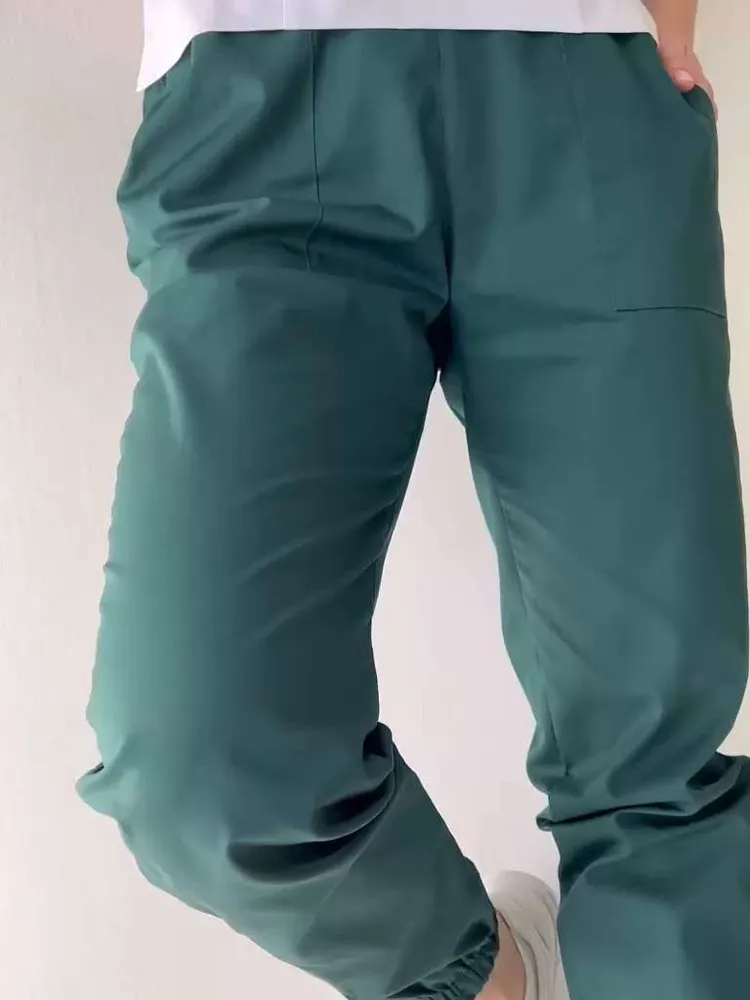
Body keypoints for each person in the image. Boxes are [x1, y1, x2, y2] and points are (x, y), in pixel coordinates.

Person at [77, 2, 750, 999]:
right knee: (203, 763)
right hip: (255, 75)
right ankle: (493, 976)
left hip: (587, 69)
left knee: (655, 754)